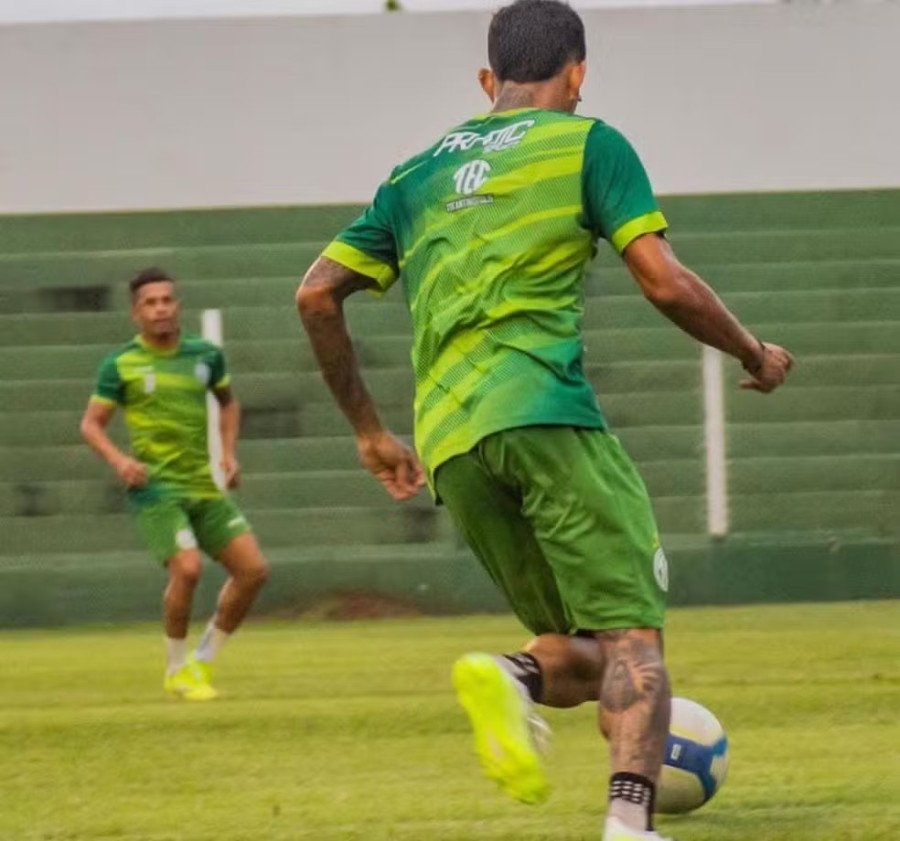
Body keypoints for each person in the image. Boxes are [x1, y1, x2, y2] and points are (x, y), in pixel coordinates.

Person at [296, 1, 792, 837]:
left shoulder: (413, 175)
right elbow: (663, 280)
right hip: (545, 413)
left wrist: (372, 433)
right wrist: (753, 353)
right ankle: (628, 825)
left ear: (488, 81)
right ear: (579, 73)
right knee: (637, 639)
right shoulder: (591, 142)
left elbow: (315, 293)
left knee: (580, 647)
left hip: (452, 442)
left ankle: (510, 674)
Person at [80, 267, 269, 701]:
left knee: (253, 571)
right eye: (151, 302)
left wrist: (228, 452)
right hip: (156, 488)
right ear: (135, 313)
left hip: (202, 485)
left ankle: (202, 660)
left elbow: (228, 403)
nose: (161, 308)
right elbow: (91, 425)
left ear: (177, 306)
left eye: (167, 300)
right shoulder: (121, 365)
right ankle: (175, 669)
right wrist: (119, 460)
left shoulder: (204, 357)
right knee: (187, 568)